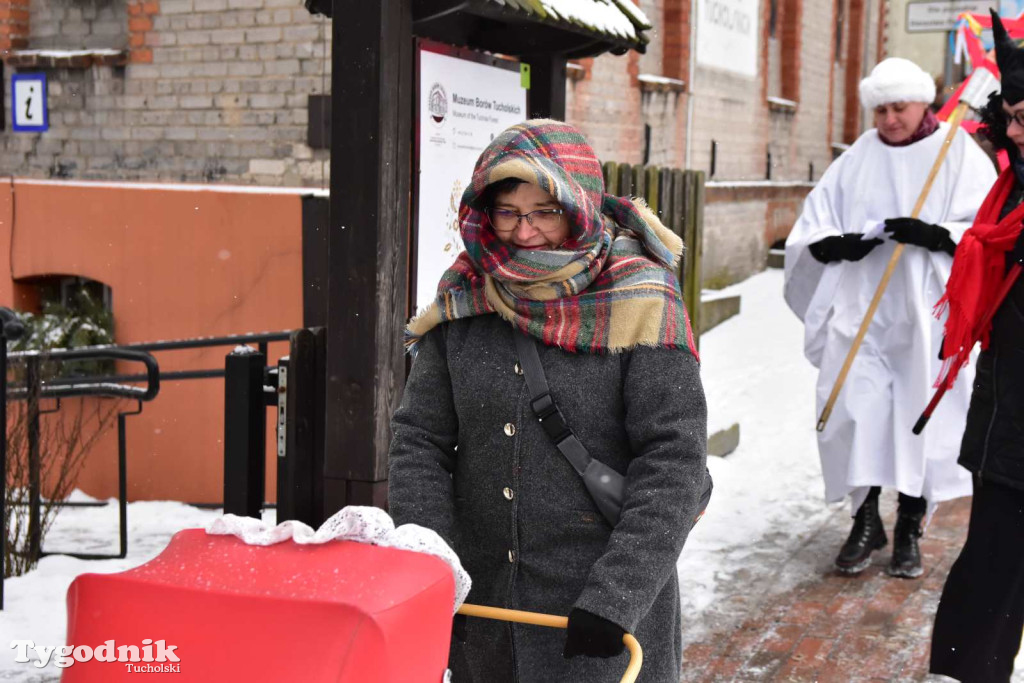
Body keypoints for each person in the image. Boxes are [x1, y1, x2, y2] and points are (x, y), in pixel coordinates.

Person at [388, 119, 707, 682]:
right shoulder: (466, 294)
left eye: (544, 212)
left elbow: (674, 464)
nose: (525, 232)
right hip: (485, 611)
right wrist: (437, 568)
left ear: (579, 206)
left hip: (601, 622)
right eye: (508, 212)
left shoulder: (640, 298)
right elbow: (420, 440)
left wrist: (615, 597)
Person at [784, 57, 996, 579]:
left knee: (922, 414)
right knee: (857, 411)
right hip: (863, 307)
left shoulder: (956, 153)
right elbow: (814, 222)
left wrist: (938, 233)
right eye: (880, 109)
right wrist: (831, 246)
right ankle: (864, 518)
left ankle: (909, 523)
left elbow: (988, 227)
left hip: (929, 309)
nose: (888, 120)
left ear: (923, 102)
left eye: (898, 107)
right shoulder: (857, 157)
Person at [930, 12, 1024, 682]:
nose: (1014, 132)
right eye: (1010, 117)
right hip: (1007, 428)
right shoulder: (1012, 191)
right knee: (988, 579)